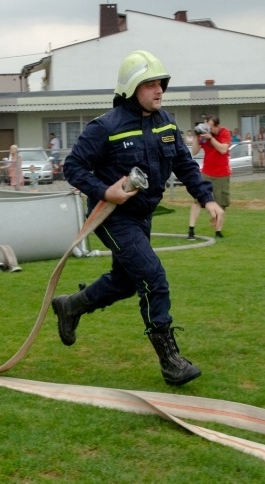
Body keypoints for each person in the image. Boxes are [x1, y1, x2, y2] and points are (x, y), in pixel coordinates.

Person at [54, 50, 224, 386]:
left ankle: (71, 306)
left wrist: (207, 199)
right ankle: (170, 361)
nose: (159, 89)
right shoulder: (105, 127)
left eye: (161, 82)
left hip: (143, 218)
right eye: (150, 84)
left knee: (127, 281)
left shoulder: (166, 123)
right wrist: (106, 192)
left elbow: (186, 166)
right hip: (113, 216)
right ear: (132, 88)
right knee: (153, 277)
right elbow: (72, 168)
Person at [188, 115, 231, 239]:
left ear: (217, 126)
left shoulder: (224, 132)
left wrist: (211, 138)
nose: (209, 129)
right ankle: (191, 230)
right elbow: (194, 152)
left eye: (211, 127)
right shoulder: (204, 134)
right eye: (207, 126)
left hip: (222, 174)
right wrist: (197, 137)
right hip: (206, 172)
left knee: (221, 203)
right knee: (197, 200)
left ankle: (218, 231)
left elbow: (223, 149)